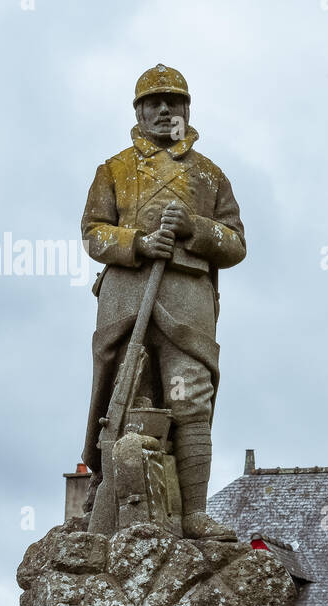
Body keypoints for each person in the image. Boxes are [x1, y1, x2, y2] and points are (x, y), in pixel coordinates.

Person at [79, 64, 245, 540]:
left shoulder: (210, 176)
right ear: (139, 110)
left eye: (173, 100)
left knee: (190, 399)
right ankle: (113, 505)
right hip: (127, 295)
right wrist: (136, 243)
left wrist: (194, 226)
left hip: (188, 296)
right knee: (125, 397)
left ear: (187, 109)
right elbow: (93, 233)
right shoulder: (112, 170)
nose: (164, 109)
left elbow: (235, 243)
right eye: (154, 102)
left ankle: (193, 513)